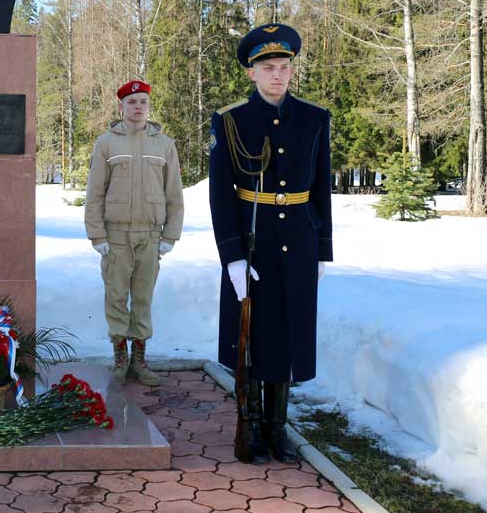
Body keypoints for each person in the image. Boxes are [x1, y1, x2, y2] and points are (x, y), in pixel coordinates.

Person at [209, 23, 333, 463]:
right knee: (253, 336)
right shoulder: (230, 121)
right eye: (268, 67)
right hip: (252, 240)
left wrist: (322, 248)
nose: (278, 75)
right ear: (252, 72)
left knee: (288, 332)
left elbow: (321, 187)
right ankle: (253, 427)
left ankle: (279, 430)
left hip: (297, 240)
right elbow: (221, 193)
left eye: (284, 67)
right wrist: (233, 257)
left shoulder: (315, 119)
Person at [85, 80, 185, 386]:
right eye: (132, 102)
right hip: (116, 237)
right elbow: (95, 194)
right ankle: (120, 358)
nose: (138, 106)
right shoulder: (107, 143)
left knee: (142, 299)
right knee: (116, 297)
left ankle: (139, 360)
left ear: (148, 105)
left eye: (142, 101)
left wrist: (170, 236)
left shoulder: (164, 145)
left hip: (151, 236)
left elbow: (174, 195)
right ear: (121, 107)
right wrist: (97, 236)